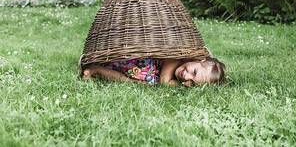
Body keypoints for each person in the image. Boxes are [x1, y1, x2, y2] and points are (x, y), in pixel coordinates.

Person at [82, 57, 226, 86]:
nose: (186, 77)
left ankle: (98, 71)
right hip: (135, 63)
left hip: (137, 75)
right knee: (143, 81)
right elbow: (164, 82)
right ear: (199, 59)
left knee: (133, 83)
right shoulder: (177, 58)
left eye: (192, 83)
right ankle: (96, 68)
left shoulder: (184, 77)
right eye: (193, 72)